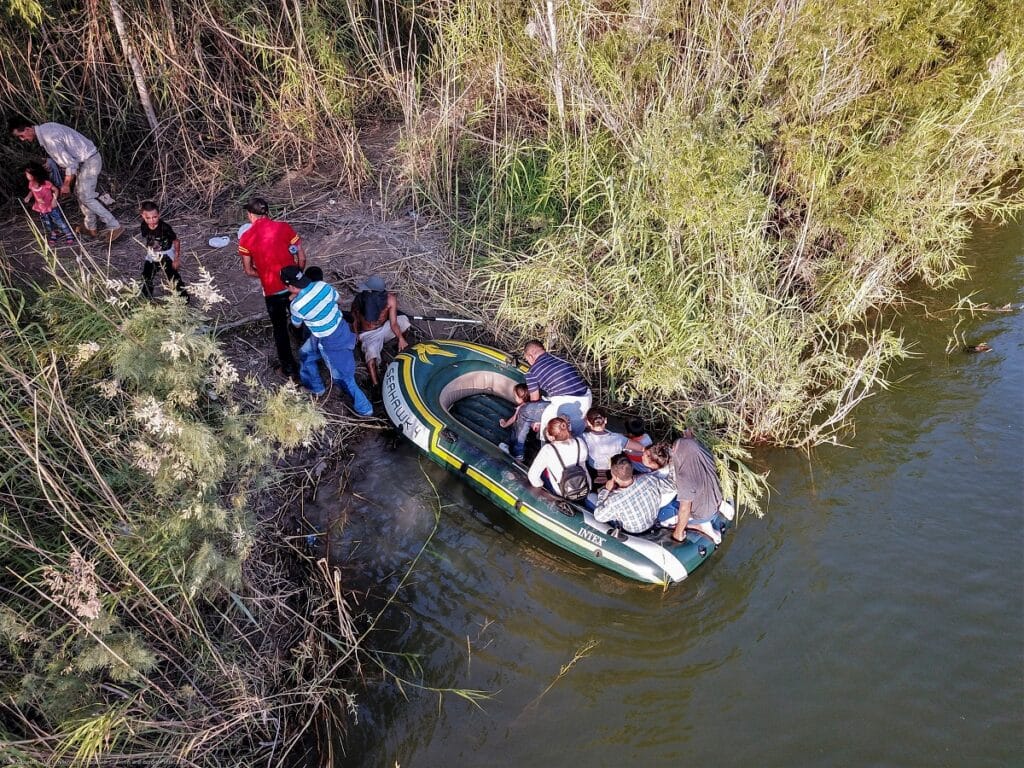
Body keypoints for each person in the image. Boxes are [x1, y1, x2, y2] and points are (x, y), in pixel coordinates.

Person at [8, 115, 124, 241]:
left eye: (21, 135)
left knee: (86, 196)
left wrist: (66, 184)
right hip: (85, 161)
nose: (22, 139)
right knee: (81, 194)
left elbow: (70, 164)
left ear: (28, 129)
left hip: (89, 161)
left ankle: (114, 225)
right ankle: (90, 227)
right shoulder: (46, 128)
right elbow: (66, 155)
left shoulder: (49, 138)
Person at [280, 265, 373, 416]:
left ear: (290, 286)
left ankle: (365, 408)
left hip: (329, 341)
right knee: (305, 353)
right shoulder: (323, 286)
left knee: (344, 376)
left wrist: (295, 301)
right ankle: (316, 387)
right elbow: (338, 300)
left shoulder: (296, 305)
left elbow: (296, 324)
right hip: (336, 328)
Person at [238, 197, 305, 380]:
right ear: (267, 213)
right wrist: (297, 274)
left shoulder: (246, 238)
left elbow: (248, 270)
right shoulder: (283, 227)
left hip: (272, 291)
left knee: (279, 329)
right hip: (294, 286)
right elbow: (301, 255)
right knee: (304, 316)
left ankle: (289, 369)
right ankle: (308, 352)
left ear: (250, 215)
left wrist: (267, 275)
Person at [522, 340, 591, 437]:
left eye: (527, 359)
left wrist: (535, 421)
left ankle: (516, 449)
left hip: (568, 408)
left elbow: (535, 400)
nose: (529, 362)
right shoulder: (561, 357)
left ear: (530, 356)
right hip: (586, 402)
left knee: (525, 411)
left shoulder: (531, 372)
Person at [592, 453, 673, 535]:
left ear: (614, 477)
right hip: (651, 524)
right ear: (632, 469)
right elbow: (670, 486)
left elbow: (598, 517)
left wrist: (606, 490)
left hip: (631, 532)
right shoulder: (649, 480)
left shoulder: (614, 501)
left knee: (591, 497)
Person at [351, 274, 410, 387]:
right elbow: (354, 318)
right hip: (369, 334)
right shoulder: (359, 300)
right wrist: (356, 334)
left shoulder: (390, 300)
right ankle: (376, 385)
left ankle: (399, 347)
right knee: (371, 358)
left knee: (405, 321)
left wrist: (401, 338)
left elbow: (393, 323)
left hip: (384, 327)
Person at [671, 428, 725, 544]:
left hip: (701, 513)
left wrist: (678, 533)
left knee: (664, 517)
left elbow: (685, 508)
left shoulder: (685, 477)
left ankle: (701, 526)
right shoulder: (704, 453)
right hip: (716, 499)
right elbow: (690, 446)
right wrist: (688, 439)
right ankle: (722, 507)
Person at [526, 417, 590, 498]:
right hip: (584, 485)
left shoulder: (547, 450)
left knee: (542, 472)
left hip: (563, 491)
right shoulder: (579, 441)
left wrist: (540, 486)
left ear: (551, 437)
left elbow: (533, 476)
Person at [139, 202, 188, 300]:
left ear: (159, 215)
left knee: (173, 277)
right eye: (148, 218)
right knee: (146, 276)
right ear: (143, 216)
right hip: (152, 254)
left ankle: (184, 300)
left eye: (155, 217)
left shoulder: (165, 228)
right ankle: (145, 298)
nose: (152, 220)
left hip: (166, 255)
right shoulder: (144, 226)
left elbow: (176, 241)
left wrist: (176, 258)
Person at [21, 161, 74, 246]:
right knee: (47, 222)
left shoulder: (46, 183)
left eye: (28, 174)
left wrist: (54, 200)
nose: (26, 176)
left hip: (51, 206)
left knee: (59, 220)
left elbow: (56, 190)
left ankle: (68, 233)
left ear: (34, 174)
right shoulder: (31, 184)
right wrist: (28, 196)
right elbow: (32, 191)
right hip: (41, 207)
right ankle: (53, 233)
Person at [498, 382, 548, 461]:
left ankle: (518, 453)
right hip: (544, 421)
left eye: (515, 396)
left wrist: (505, 424)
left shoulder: (524, 409)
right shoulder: (536, 403)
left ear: (522, 398)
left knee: (518, 430)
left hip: (539, 424)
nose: (514, 397)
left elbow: (514, 418)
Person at [581, 406, 628, 486]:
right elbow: (641, 448)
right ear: (605, 420)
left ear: (588, 423)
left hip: (592, 469)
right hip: (612, 471)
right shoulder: (618, 438)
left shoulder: (583, 437)